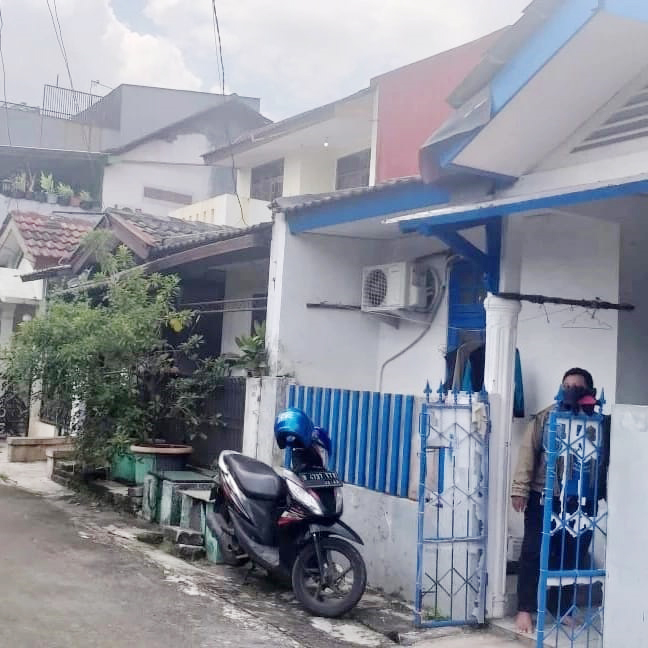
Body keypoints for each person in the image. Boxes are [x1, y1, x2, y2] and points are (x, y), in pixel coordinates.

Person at [511, 368, 600, 634]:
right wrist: (520, 489)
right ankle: (525, 609)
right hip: (544, 495)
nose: (571, 391)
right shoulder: (545, 417)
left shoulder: (596, 421)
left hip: (580, 498)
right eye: (566, 386)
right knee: (534, 551)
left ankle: (561, 607)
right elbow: (528, 454)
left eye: (577, 387)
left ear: (588, 390)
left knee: (572, 553)